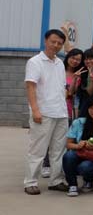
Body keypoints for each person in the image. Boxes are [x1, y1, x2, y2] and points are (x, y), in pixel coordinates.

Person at [24, 29, 69, 194]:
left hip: (61, 113)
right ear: (46, 41)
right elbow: (30, 86)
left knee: (59, 150)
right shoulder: (35, 62)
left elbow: (61, 88)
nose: (56, 45)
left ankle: (56, 180)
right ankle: (30, 182)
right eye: (53, 41)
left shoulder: (60, 63)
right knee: (38, 149)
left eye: (59, 43)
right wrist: (35, 110)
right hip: (43, 113)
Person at [62, 96, 93, 196]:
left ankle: (88, 180)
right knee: (68, 156)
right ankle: (72, 185)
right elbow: (68, 144)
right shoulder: (78, 122)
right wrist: (79, 145)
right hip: (79, 153)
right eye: (91, 108)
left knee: (85, 167)